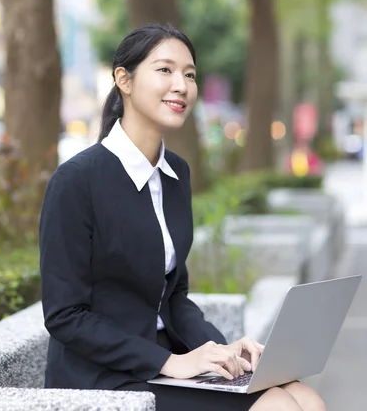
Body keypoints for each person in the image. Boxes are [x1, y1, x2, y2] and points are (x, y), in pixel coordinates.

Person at [39, 23, 326, 411]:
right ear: (123, 79)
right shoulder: (76, 181)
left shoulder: (176, 174)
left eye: (189, 74)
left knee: (305, 397)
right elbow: (65, 316)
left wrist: (221, 349)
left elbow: (173, 295)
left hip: (166, 364)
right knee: (278, 405)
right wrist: (170, 362)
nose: (181, 85)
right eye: (165, 70)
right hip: (104, 377)